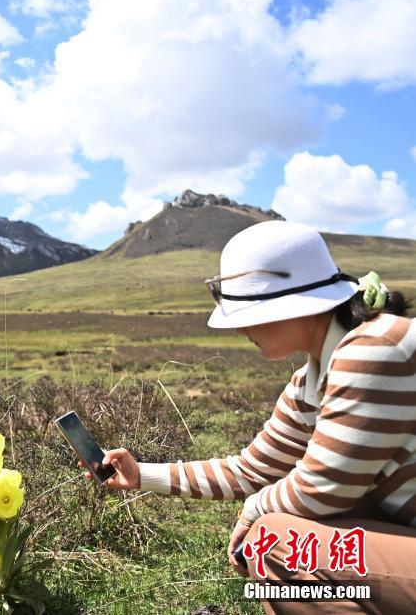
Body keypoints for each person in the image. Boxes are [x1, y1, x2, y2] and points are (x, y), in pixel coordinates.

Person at [83, 221, 414, 613]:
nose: (240, 328)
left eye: (248, 314)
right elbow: (250, 469)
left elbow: (323, 489)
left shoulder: (374, 349)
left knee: (276, 542)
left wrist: (255, 509)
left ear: (294, 306)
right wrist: (141, 474)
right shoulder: (311, 379)